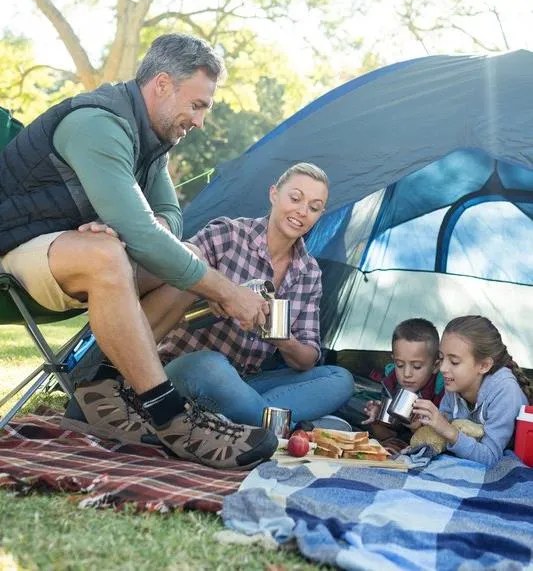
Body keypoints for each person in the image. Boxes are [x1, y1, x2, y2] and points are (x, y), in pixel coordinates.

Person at [0, 33, 278, 469]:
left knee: (183, 257)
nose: (201, 120)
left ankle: (102, 386)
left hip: (63, 252)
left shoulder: (151, 142)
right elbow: (144, 235)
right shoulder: (98, 123)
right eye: (198, 105)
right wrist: (226, 292)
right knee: (108, 255)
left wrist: (132, 228)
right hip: (12, 250)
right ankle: (170, 416)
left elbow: (168, 218)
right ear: (163, 84)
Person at [155, 163, 355, 428]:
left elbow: (308, 357)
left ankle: (235, 420)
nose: (302, 211)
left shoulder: (309, 273)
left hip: (246, 382)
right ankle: (285, 428)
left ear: (320, 215)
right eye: (295, 198)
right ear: (274, 194)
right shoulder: (230, 233)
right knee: (212, 366)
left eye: (314, 207)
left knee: (339, 378)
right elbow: (182, 257)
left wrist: (281, 339)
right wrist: (219, 292)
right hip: (188, 368)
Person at [412, 315, 533, 468]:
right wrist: (422, 426)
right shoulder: (454, 384)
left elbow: (490, 457)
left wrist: (448, 430)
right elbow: (439, 437)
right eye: (441, 358)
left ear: (484, 366)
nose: (443, 368)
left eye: (454, 362)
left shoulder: (505, 392)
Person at [361, 318, 443, 449]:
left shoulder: (442, 392)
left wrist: (417, 429)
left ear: (436, 365)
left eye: (416, 366)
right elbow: (386, 435)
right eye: (399, 365)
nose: (407, 374)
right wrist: (378, 418)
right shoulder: (391, 383)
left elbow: (438, 444)